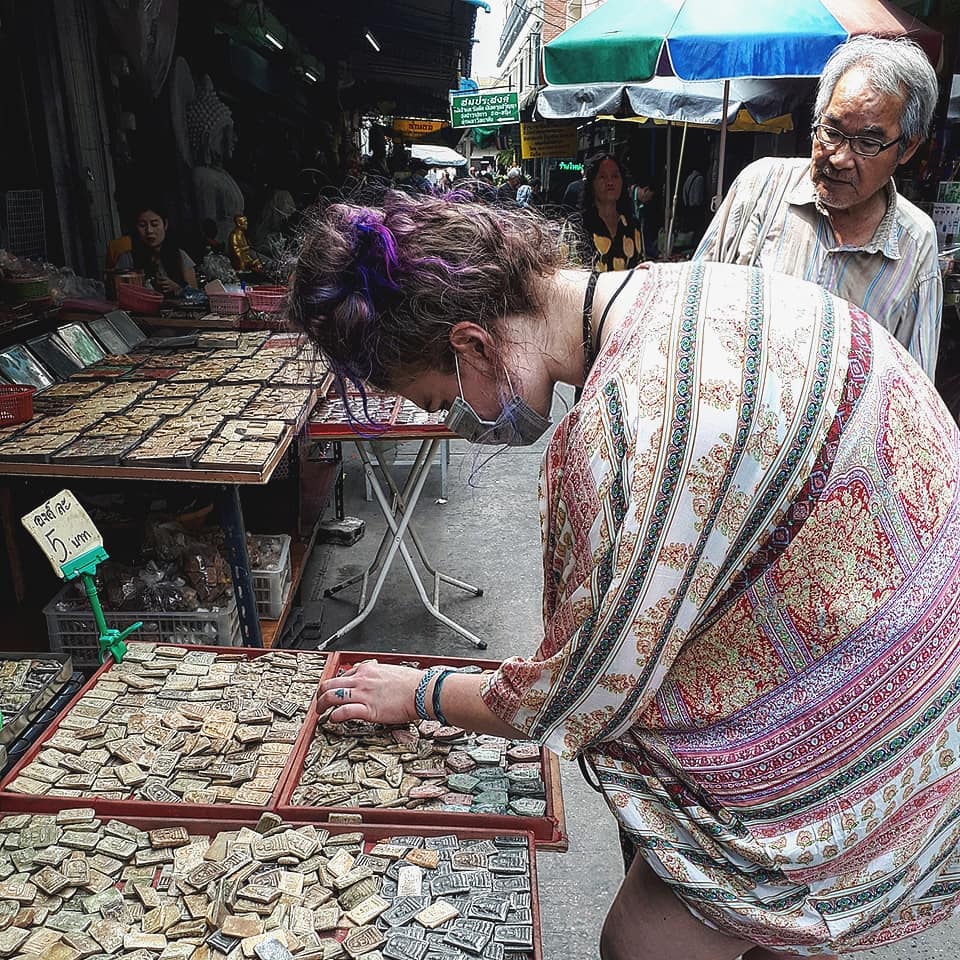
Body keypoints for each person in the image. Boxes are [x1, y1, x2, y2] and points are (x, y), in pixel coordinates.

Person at [288, 191, 960, 960]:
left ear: (473, 343)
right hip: (917, 634)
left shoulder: (632, 420)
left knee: (641, 941)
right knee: (755, 927)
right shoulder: (677, 287)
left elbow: (583, 690)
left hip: (896, 707)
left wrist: (419, 692)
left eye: (442, 402)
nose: (458, 424)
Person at [695, 36, 942, 380]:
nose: (839, 158)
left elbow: (912, 393)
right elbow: (693, 313)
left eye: (868, 143)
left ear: (907, 150)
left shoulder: (915, 244)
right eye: (831, 131)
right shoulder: (761, 186)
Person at [580, 153, 646, 271]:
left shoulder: (632, 225)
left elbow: (638, 267)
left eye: (615, 176)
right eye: (603, 177)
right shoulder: (578, 226)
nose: (610, 182)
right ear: (592, 183)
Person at [114, 202, 197, 294]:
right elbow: (117, 295)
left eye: (154, 224)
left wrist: (177, 288)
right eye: (142, 225)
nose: (149, 230)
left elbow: (197, 296)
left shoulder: (180, 256)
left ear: (165, 224)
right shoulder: (126, 259)